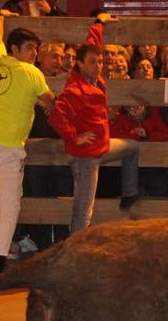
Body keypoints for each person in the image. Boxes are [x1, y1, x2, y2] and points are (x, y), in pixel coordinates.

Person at [0, 10, 55, 275]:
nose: (34, 54)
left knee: (4, 198)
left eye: (36, 49)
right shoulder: (32, 73)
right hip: (5, 145)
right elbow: (51, 100)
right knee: (10, 204)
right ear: (15, 49)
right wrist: (44, 103)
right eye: (30, 48)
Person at [48, 15, 142, 232]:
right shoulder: (75, 89)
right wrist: (74, 137)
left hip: (101, 147)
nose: (98, 65)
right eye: (93, 62)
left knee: (132, 148)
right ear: (79, 65)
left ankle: (129, 193)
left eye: (100, 61)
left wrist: (99, 23)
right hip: (85, 157)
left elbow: (93, 44)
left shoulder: (95, 80)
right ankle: (74, 249)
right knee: (84, 208)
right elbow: (56, 115)